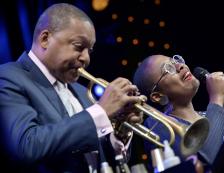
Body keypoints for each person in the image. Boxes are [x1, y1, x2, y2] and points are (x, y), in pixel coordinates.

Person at [0, 3, 143, 173]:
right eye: (78, 46)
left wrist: (120, 132)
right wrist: (100, 112)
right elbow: (25, 147)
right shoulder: (7, 76)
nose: (86, 58)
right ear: (45, 39)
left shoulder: (82, 92)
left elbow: (103, 159)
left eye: (89, 50)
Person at [133, 54, 224, 171]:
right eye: (167, 69)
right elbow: (204, 164)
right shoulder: (158, 125)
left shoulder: (208, 114)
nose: (180, 66)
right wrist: (217, 99)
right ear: (157, 96)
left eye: (175, 61)